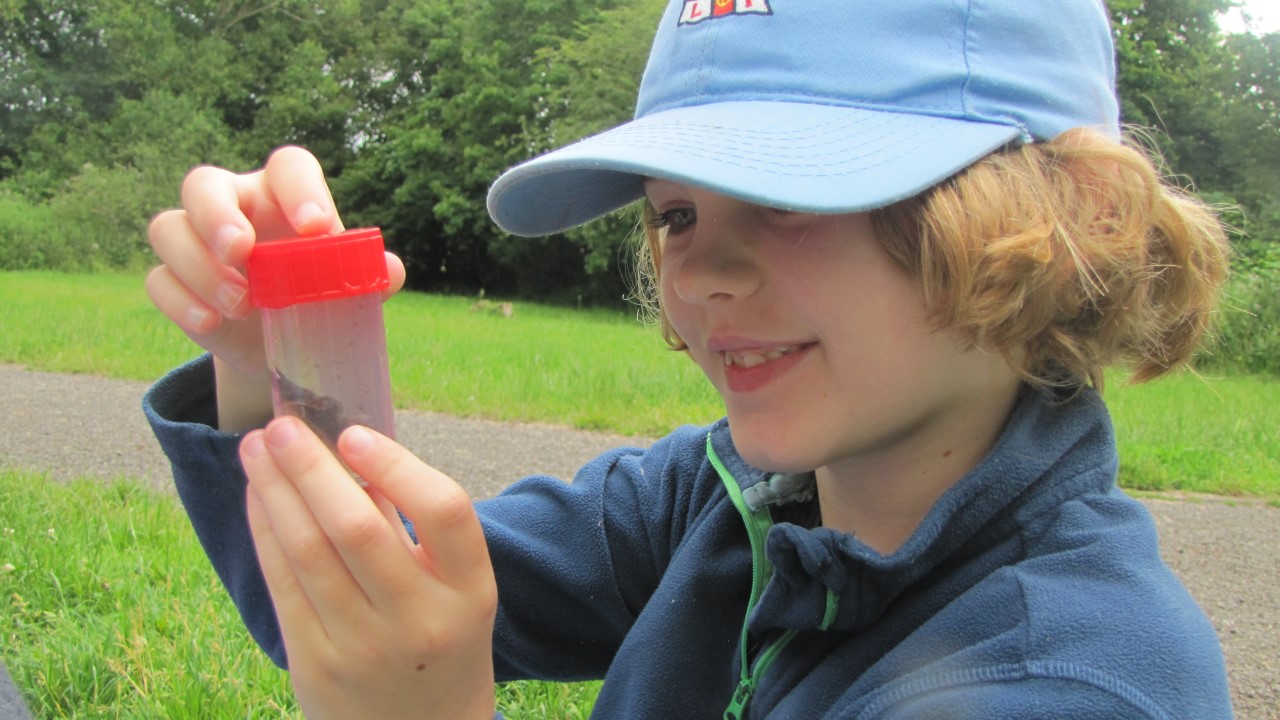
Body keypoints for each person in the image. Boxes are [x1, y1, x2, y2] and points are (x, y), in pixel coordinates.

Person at [142, 0, 1235, 717]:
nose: (703, 269)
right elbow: (355, 600)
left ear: (1066, 219)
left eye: (789, 195)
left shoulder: (1065, 684)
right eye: (673, 213)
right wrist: (269, 358)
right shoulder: (729, 503)